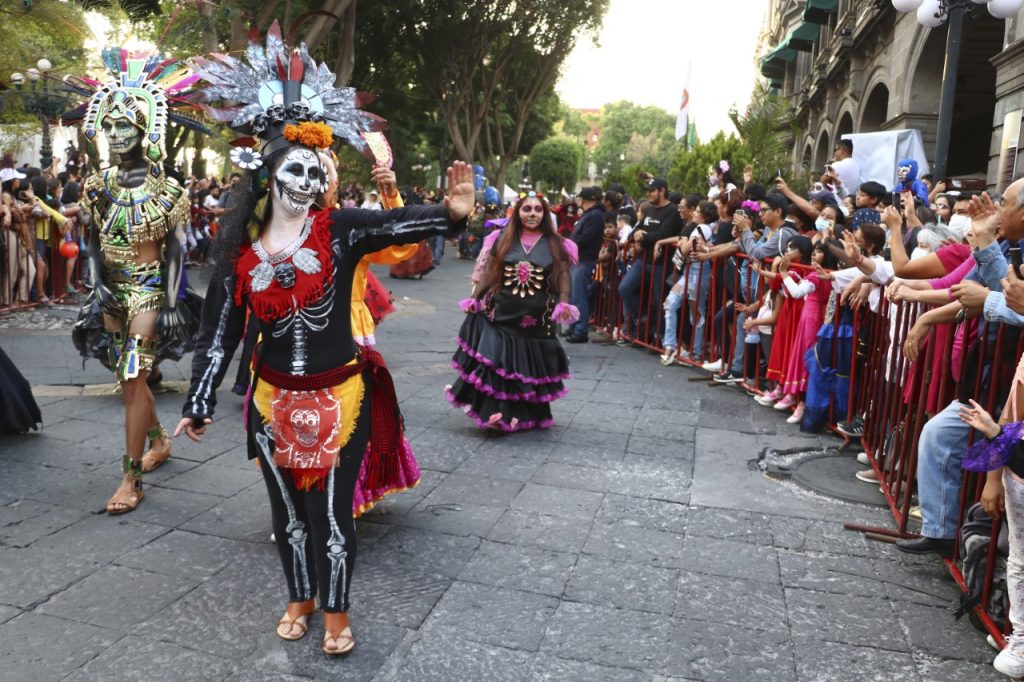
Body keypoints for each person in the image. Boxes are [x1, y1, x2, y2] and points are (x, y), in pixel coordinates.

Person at [178, 24, 474, 656]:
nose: (311, 181)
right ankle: (299, 598)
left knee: (333, 518)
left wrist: (452, 213)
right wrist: (200, 400)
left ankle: (336, 612)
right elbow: (221, 331)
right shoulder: (241, 254)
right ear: (269, 177)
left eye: (318, 171)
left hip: (343, 397)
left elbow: (395, 225)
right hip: (269, 403)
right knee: (287, 515)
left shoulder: (339, 230)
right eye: (297, 170)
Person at [67, 48, 202, 514]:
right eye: (111, 126)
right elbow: (90, 240)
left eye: (125, 125)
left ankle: (131, 477)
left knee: (131, 376)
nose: (116, 133)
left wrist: (168, 301)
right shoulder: (99, 184)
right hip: (110, 290)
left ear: (146, 130)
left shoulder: (167, 189)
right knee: (126, 373)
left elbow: (176, 250)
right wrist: (96, 280)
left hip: (146, 288)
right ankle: (160, 440)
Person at [446, 192, 579, 431]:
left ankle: (524, 416)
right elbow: (491, 271)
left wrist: (565, 301)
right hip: (503, 316)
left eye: (538, 210)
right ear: (517, 212)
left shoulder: (556, 243)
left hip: (537, 323)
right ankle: (498, 413)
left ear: (545, 214)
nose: (532, 214)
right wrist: (475, 298)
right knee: (499, 365)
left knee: (528, 372)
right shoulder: (503, 238)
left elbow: (563, 274)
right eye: (527, 209)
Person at [566, 185, 604, 343]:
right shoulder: (589, 215)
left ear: (586, 199)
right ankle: (575, 326)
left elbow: (585, 237)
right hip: (578, 259)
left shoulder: (595, 216)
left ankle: (580, 330)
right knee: (575, 296)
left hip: (584, 260)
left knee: (579, 296)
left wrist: (570, 245)